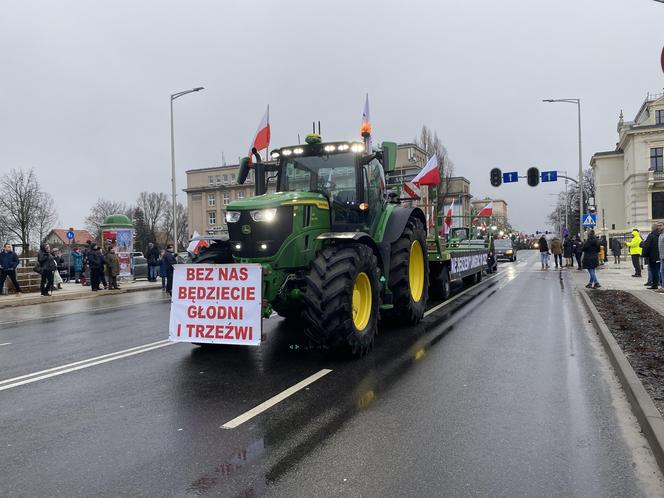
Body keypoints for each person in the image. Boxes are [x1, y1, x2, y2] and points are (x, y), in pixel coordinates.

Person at [641, 222, 662, 290]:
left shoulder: (651, 235)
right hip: (660, 256)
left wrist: (644, 254)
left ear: (652, 228)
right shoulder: (660, 235)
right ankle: (660, 284)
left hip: (652, 256)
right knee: (660, 270)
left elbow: (647, 246)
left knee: (654, 271)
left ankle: (655, 285)